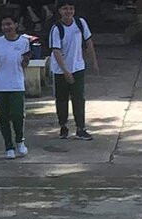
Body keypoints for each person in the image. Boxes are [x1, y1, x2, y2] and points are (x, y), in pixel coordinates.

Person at [0, 15, 31, 159]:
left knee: (17, 115)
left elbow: (25, 63)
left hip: (17, 84)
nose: (6, 27)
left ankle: (20, 141)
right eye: (3, 25)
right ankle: (8, 147)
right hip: (1, 85)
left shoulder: (23, 42)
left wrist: (26, 59)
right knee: (3, 118)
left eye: (9, 24)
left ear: (16, 25)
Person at [48, 0, 99, 140]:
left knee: (79, 98)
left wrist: (94, 62)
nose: (68, 11)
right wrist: (65, 71)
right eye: (65, 8)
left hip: (78, 67)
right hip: (60, 70)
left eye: (71, 8)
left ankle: (80, 128)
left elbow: (88, 42)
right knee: (61, 99)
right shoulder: (56, 28)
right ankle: (63, 126)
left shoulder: (80, 23)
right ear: (59, 11)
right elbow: (56, 51)